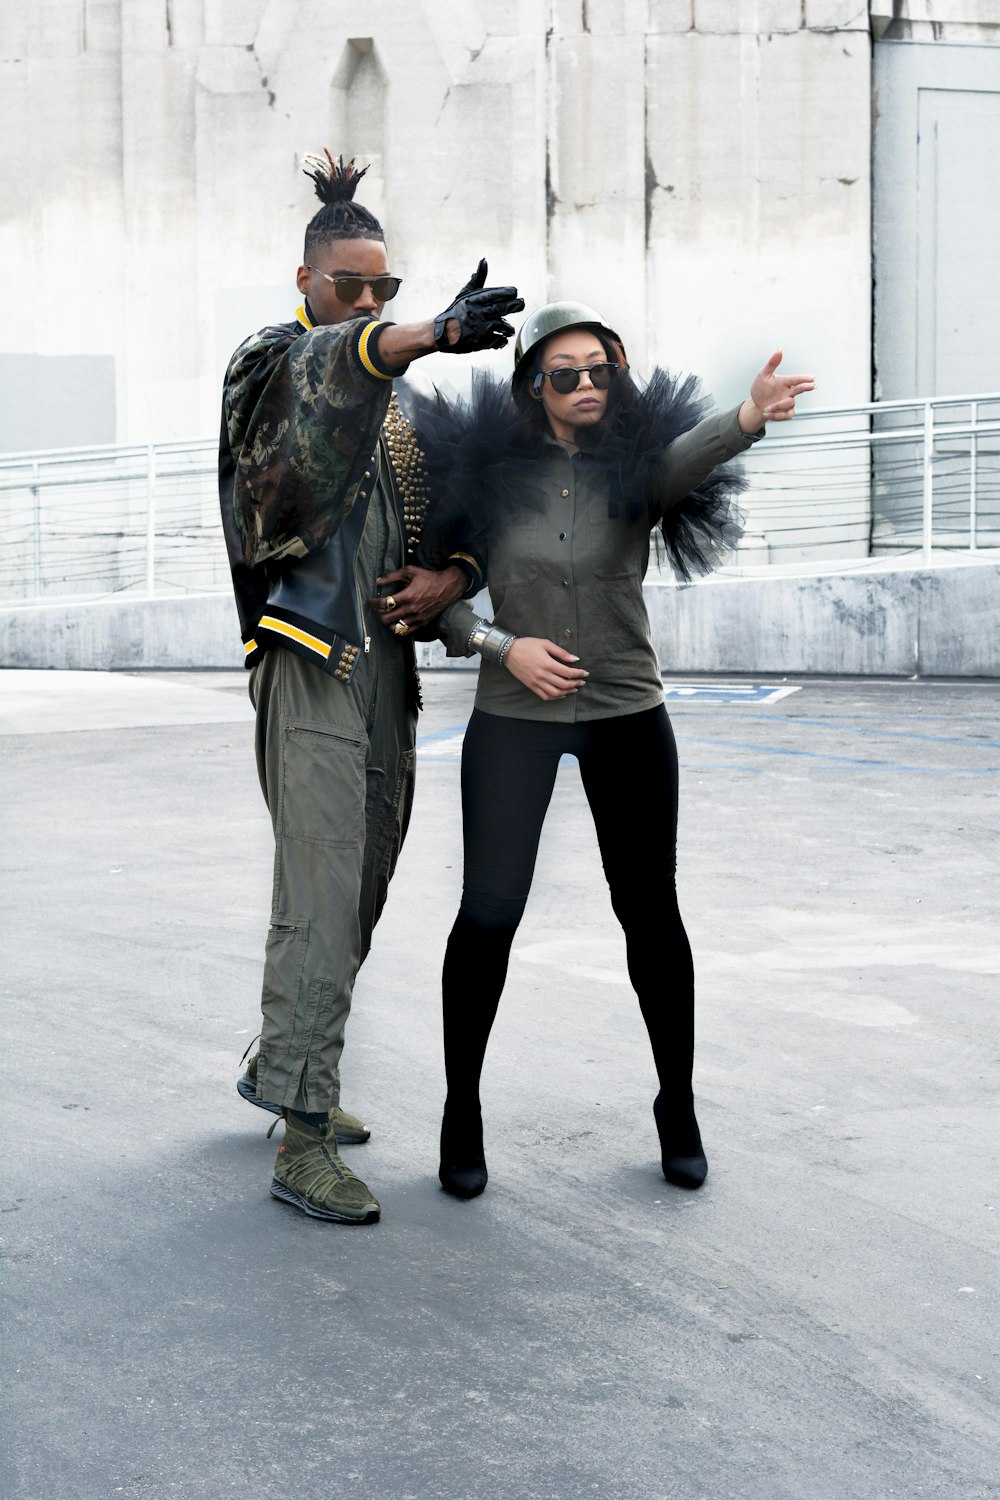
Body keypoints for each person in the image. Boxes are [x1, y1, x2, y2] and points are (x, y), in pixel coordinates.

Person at [405, 301, 813, 1198]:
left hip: (627, 711)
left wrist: (749, 416)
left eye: (601, 370)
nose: (586, 386)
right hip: (514, 715)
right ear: (534, 389)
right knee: (488, 915)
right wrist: (503, 646)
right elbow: (443, 595)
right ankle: (460, 1110)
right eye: (565, 375)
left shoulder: (635, 469)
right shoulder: (490, 473)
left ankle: (678, 1105)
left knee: (650, 915)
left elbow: (686, 460)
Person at [218, 150, 523, 1224]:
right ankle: (302, 1131)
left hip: (386, 673)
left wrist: (459, 575)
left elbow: (443, 535)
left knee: (362, 887)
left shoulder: (399, 414)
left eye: (381, 287)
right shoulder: (273, 363)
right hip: (308, 659)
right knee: (318, 889)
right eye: (347, 284)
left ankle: (279, 1062)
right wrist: (427, 331)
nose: (363, 300)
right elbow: (329, 377)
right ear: (305, 282)